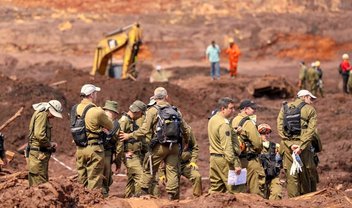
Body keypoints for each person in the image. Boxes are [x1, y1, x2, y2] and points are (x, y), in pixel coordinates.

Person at [119, 87, 191, 200]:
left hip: (159, 146)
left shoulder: (152, 110)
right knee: (172, 169)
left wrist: (129, 135)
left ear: (155, 97)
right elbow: (186, 129)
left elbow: (144, 130)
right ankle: (172, 196)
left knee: (149, 167)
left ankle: (143, 193)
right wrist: (186, 141)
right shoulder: (176, 111)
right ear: (167, 97)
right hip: (175, 146)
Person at [277, 89, 319, 197]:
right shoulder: (310, 110)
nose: (312, 101)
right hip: (303, 148)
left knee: (291, 176)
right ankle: (306, 201)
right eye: (310, 98)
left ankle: (293, 203)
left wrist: (291, 144)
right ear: (304, 97)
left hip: (287, 147)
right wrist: (301, 146)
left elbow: (280, 128)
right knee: (306, 174)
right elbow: (311, 132)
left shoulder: (284, 108)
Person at [75, 84, 113, 190]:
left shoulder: (75, 109)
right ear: (91, 95)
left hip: (79, 148)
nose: (96, 95)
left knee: (81, 181)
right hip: (94, 149)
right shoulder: (97, 111)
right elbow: (110, 126)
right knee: (94, 180)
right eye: (95, 93)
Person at [231, 99, 265, 197]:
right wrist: (259, 150)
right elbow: (257, 143)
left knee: (239, 191)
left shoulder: (233, 120)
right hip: (251, 160)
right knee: (256, 191)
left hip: (238, 160)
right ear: (245, 109)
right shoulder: (248, 122)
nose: (255, 110)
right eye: (253, 108)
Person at [208, 97, 241, 193]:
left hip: (214, 159)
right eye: (231, 108)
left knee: (216, 190)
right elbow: (227, 146)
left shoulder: (213, 120)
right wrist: (235, 164)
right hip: (224, 160)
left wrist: (233, 131)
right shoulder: (224, 124)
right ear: (223, 109)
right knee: (236, 189)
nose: (233, 111)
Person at [27, 100, 63, 186]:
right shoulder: (42, 115)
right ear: (50, 110)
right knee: (40, 183)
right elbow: (39, 135)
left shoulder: (41, 113)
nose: (53, 117)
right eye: (53, 114)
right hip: (38, 155)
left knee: (38, 181)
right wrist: (50, 144)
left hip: (37, 154)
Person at [117, 100, 147, 198]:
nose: (141, 116)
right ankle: (139, 200)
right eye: (141, 113)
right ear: (137, 112)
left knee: (131, 179)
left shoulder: (131, 121)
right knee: (141, 177)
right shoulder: (124, 121)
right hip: (130, 156)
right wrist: (123, 155)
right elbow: (119, 141)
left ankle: (128, 200)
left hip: (134, 155)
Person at [257, 124, 282, 200]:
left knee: (276, 194)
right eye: (263, 133)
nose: (266, 135)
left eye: (268, 133)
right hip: (259, 178)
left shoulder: (276, 146)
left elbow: (282, 162)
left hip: (273, 176)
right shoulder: (255, 147)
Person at [102, 100, 120, 197]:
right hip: (106, 153)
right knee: (105, 179)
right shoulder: (115, 124)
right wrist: (118, 162)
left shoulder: (98, 119)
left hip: (99, 152)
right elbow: (119, 147)